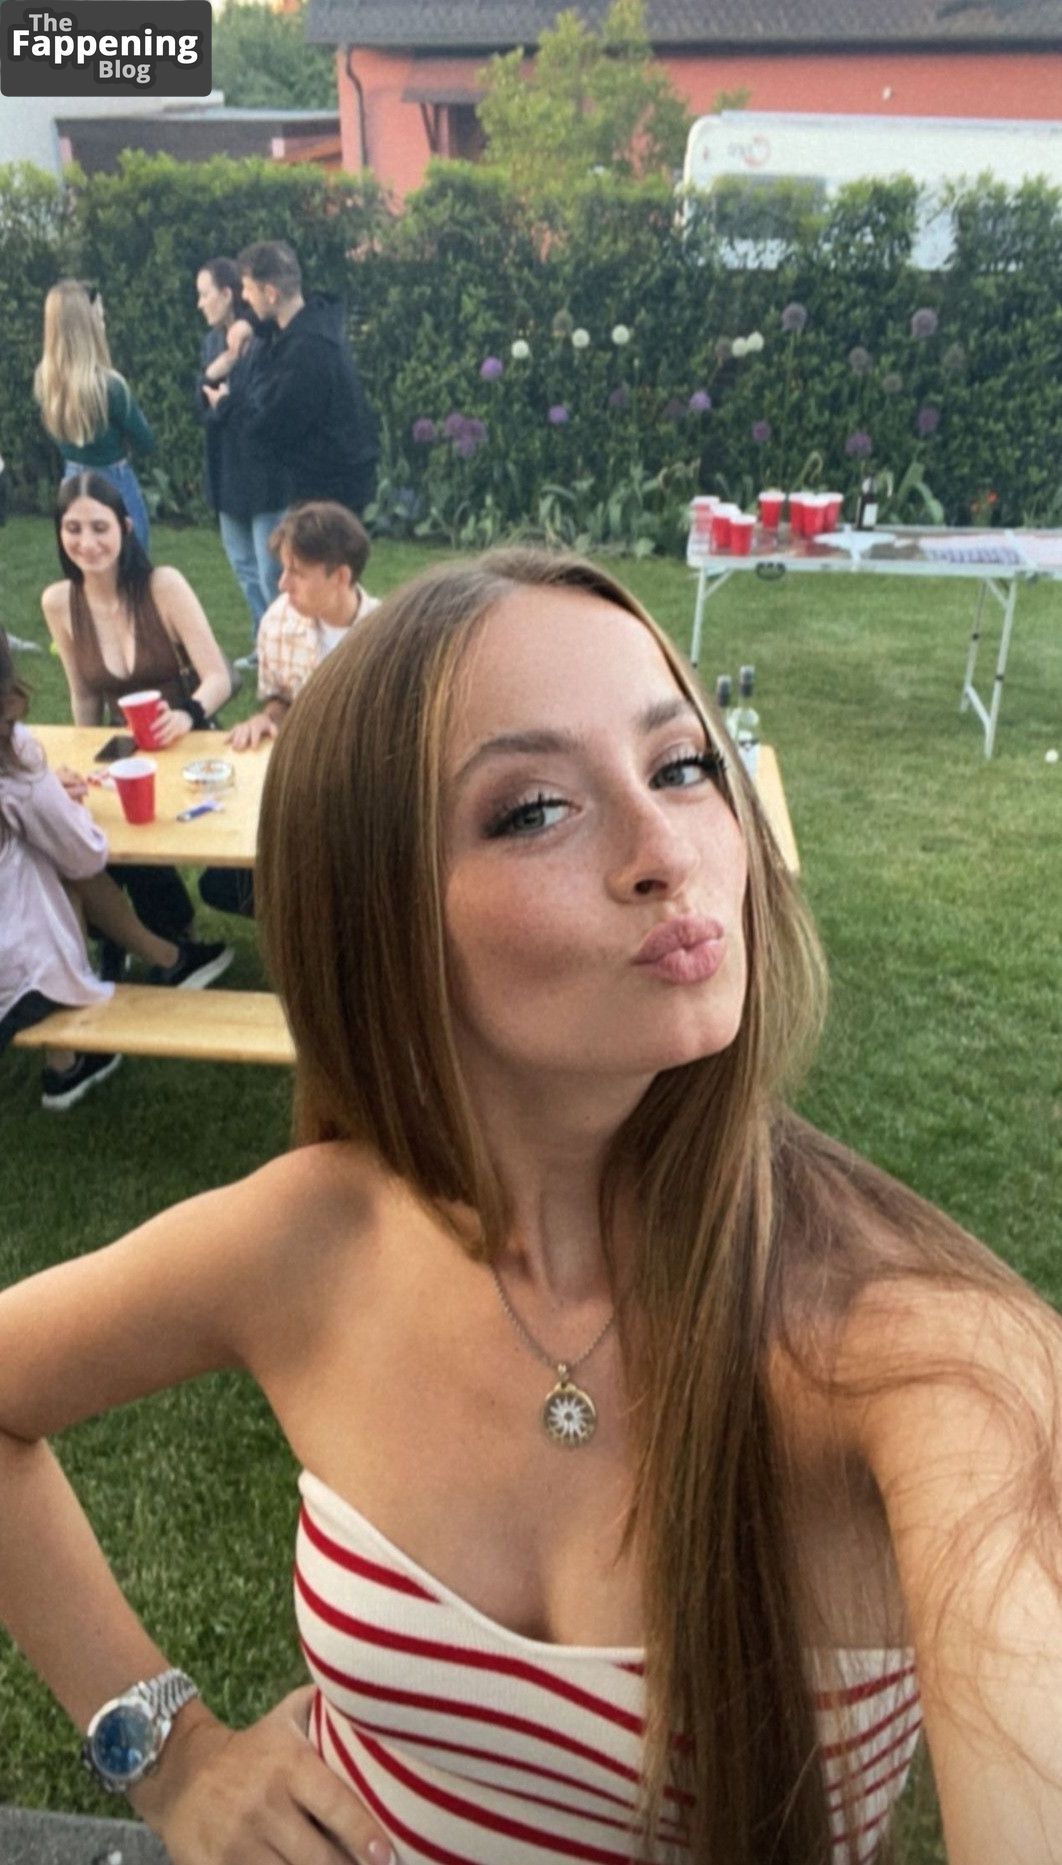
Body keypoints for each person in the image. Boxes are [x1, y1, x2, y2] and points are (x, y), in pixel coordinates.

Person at [1, 548, 1061, 1865]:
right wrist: (167, 1753)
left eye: (682, 766)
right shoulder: (313, 1239)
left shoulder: (925, 1359)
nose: (666, 850)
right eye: (536, 809)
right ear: (378, 914)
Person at [0, 629, 232, 1110]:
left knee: (40, 850)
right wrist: (55, 801)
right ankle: (67, 1058)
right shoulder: (12, 755)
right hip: (18, 979)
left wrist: (41, 792)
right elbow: (83, 854)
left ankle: (167, 958)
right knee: (51, 859)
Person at [41, 471, 235, 968]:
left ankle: (161, 936)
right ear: (60, 533)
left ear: (125, 528)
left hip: (188, 738)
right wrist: (85, 756)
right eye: (74, 529)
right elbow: (84, 692)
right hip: (124, 747)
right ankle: (132, 938)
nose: (87, 543)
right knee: (84, 824)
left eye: (100, 528)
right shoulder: (59, 602)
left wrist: (187, 714)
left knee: (143, 825)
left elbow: (218, 676)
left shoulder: (162, 586)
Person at [198, 501, 378, 920]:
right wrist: (267, 717)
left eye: (296, 573)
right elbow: (280, 697)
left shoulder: (386, 637)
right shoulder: (279, 621)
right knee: (220, 884)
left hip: (362, 793)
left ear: (341, 577)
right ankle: (312, 919)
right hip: (303, 782)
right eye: (283, 569)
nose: (281, 584)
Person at [212, 239, 379, 517]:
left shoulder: (306, 352)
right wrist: (248, 323)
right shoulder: (315, 319)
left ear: (271, 293)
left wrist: (225, 404)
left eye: (249, 289)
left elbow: (270, 427)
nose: (244, 298)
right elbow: (272, 319)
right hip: (332, 485)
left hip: (328, 494)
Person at [194, 256, 287, 666]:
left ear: (228, 294)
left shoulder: (264, 341)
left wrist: (222, 401)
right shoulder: (211, 343)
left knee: (271, 573)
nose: (200, 304)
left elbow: (258, 408)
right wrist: (213, 385)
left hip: (264, 475)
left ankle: (288, 646)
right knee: (244, 567)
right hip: (227, 470)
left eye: (205, 294)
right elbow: (201, 403)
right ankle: (264, 645)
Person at [34, 280, 155, 553]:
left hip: (71, 482)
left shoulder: (47, 382)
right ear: (86, 325)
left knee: (84, 562)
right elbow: (146, 442)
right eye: (99, 316)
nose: (103, 322)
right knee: (132, 565)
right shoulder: (109, 386)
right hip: (113, 480)